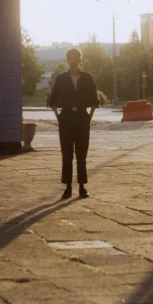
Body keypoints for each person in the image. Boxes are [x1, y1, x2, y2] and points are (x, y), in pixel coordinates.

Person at [49, 48, 100, 199]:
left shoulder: (87, 78)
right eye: (70, 57)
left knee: (82, 153)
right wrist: (59, 117)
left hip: (82, 118)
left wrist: (88, 117)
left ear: (80, 60)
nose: (73, 60)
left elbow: (95, 100)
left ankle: (82, 187)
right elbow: (52, 101)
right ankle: (68, 187)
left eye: (76, 57)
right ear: (67, 60)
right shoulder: (61, 79)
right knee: (66, 154)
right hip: (66, 117)